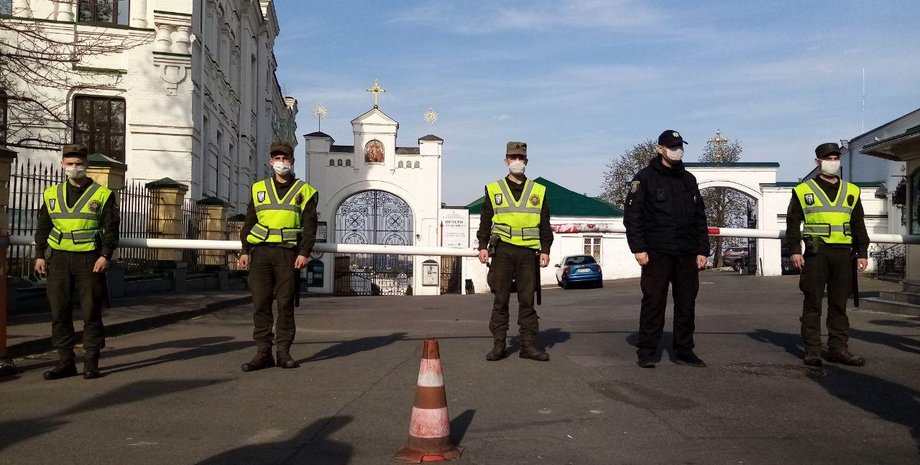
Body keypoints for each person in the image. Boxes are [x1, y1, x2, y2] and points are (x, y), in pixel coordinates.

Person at [624, 130, 709, 369]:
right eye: (672, 146)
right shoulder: (644, 178)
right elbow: (633, 216)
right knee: (654, 302)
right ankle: (647, 350)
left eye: (680, 145)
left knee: (686, 303)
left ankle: (684, 351)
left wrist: (702, 250)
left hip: (686, 253)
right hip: (656, 253)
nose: (677, 150)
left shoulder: (689, 180)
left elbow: (700, 217)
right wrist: (638, 248)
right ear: (660, 149)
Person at [34, 144, 120, 380]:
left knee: (91, 311)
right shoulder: (51, 194)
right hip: (58, 259)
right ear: (62, 164)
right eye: (70, 163)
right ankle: (65, 362)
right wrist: (40, 254)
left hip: (89, 259)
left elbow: (111, 228)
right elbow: (43, 226)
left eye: (78, 163)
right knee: (59, 312)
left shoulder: (102, 194)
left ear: (86, 165)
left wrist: (105, 255)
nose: (74, 168)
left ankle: (91, 362)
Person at [785, 142, 869, 367]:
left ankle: (838, 348)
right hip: (816, 254)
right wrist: (794, 250)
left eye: (835, 158)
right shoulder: (803, 191)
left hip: (844, 255)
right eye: (827, 158)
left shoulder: (851, 190)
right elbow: (793, 223)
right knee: (813, 302)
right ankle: (812, 349)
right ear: (817, 162)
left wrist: (862, 252)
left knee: (839, 304)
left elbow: (858, 223)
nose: (832, 162)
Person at [239, 142, 318, 372]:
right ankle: (263, 353)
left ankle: (283, 352)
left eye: (284, 158)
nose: (280, 162)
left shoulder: (305, 191)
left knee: (285, 304)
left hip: (288, 254)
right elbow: (249, 223)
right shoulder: (258, 189)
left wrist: (304, 253)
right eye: (276, 158)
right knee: (260, 303)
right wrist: (244, 250)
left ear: (292, 161)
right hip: (260, 253)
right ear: (270, 160)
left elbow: (310, 226)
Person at [476, 141, 553, 362]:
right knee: (500, 299)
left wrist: (546, 249)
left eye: (520, 158)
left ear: (526, 162)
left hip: (528, 253)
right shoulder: (494, 188)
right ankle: (499, 345)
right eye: (513, 157)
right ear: (506, 161)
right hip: (502, 251)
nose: (517, 161)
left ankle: (528, 346)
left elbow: (545, 222)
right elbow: (485, 219)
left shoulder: (538, 190)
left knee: (527, 300)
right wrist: (483, 246)